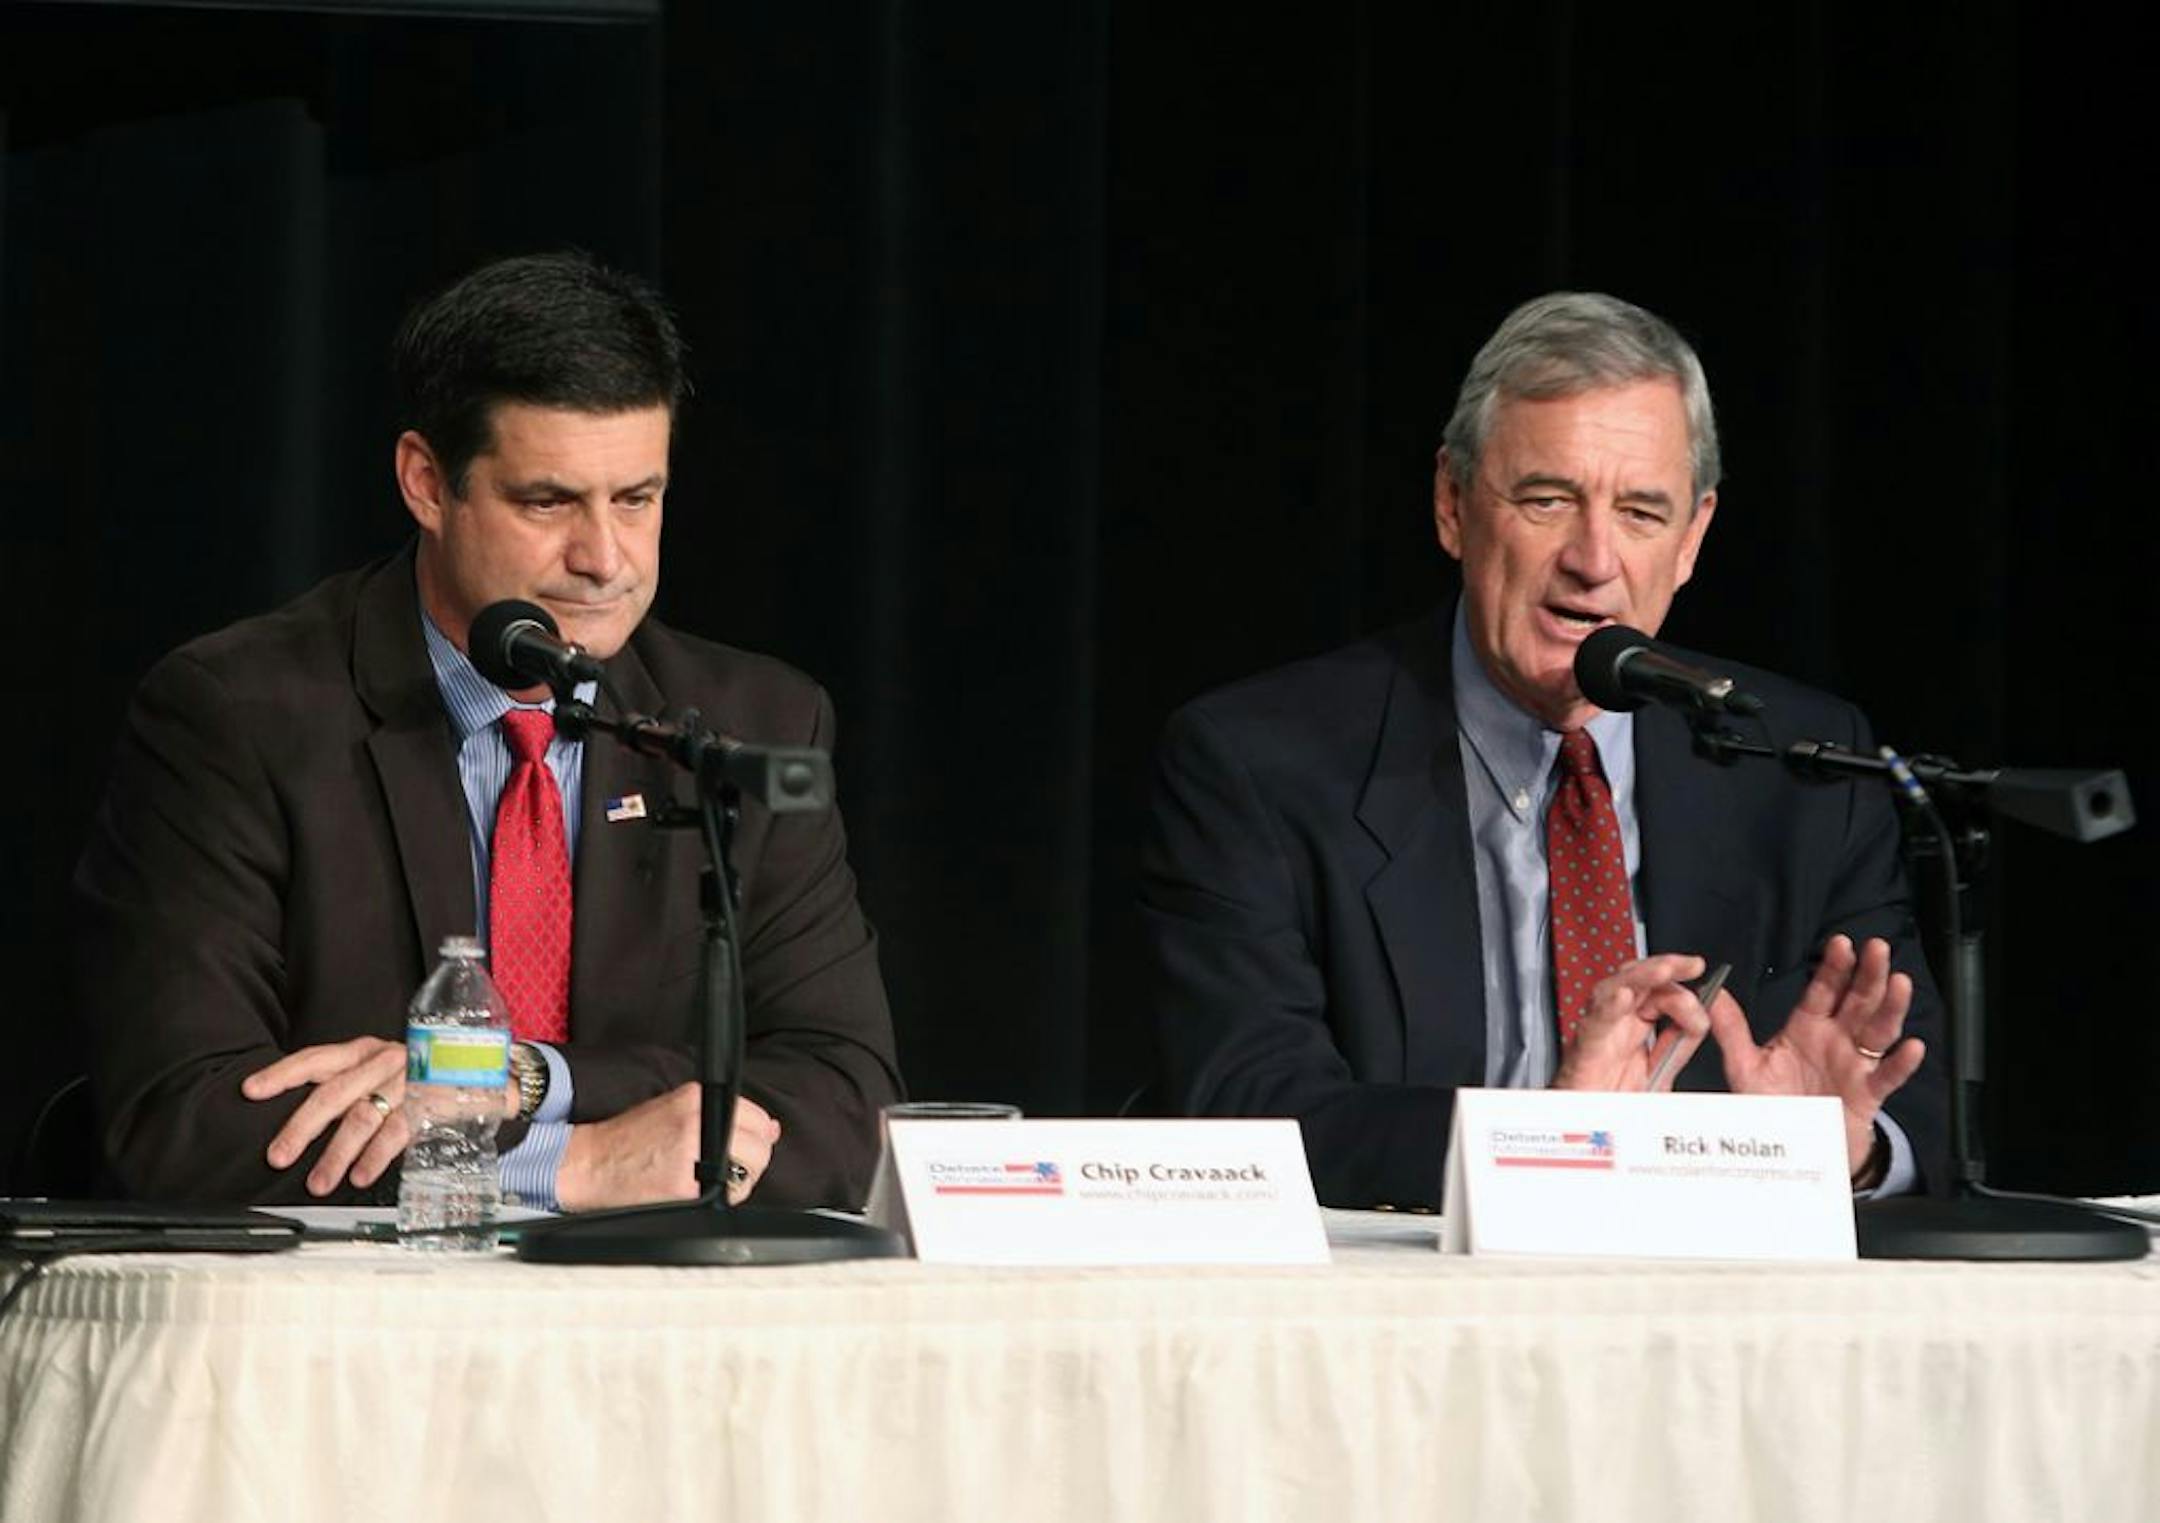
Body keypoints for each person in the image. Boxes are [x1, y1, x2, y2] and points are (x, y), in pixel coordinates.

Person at [73, 252, 902, 1212]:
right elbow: (182, 1117)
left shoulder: (749, 721)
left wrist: (537, 1082)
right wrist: (569, 1166)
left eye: (636, 500)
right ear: (428, 483)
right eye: (547, 501)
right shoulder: (238, 714)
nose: (604, 560)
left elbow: (848, 1099)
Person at [1141, 292, 1946, 1210]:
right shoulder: (1259, 763)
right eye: (1548, 498)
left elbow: (1910, 1107)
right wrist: (1544, 1142)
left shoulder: (1804, 764)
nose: (1594, 558)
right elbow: (1244, 1111)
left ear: (1693, 539)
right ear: (1452, 505)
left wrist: (1841, 1154)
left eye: (1642, 513)